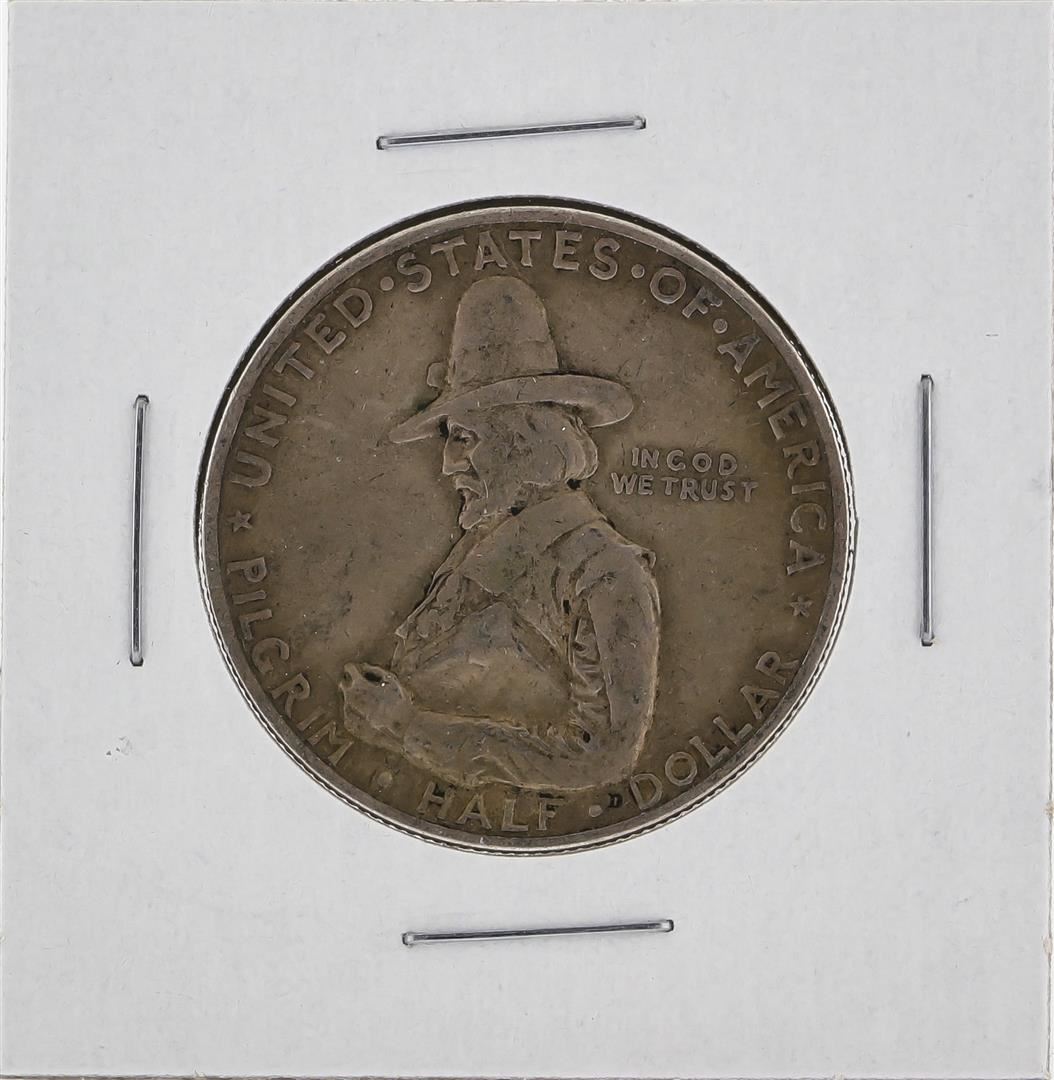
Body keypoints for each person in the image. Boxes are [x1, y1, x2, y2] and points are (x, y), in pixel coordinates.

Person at [340, 275, 660, 793]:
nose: (448, 465)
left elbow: (601, 755)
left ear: (526, 437)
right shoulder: (482, 547)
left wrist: (407, 729)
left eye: (464, 438)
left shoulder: (605, 571)